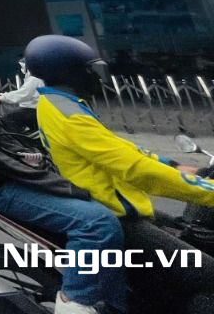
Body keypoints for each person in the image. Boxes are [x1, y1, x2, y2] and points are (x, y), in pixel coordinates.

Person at [0, 22, 126, 314]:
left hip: (5, 177)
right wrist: (51, 181)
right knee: (97, 224)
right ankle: (74, 303)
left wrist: (29, 156)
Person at [25, 35, 214, 313]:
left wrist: (175, 165)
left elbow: (122, 149)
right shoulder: (69, 116)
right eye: (91, 70)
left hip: (121, 204)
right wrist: (207, 193)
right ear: (70, 72)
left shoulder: (61, 103)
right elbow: (136, 169)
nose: (97, 77)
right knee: (206, 274)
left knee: (189, 234)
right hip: (117, 215)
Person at [0, 58, 44, 131]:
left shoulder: (34, 79)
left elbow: (21, 95)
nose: (22, 69)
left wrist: (0, 97)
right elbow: (22, 93)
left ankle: (13, 137)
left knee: (7, 119)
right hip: (35, 109)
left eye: (22, 67)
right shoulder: (37, 77)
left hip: (33, 110)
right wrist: (2, 95)